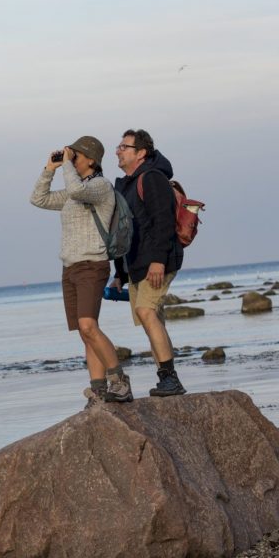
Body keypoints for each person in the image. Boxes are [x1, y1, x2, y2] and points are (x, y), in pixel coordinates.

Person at [30, 136, 132, 405]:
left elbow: (76, 190)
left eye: (76, 155)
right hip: (70, 268)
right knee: (85, 333)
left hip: (91, 265)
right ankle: (98, 390)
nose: (72, 159)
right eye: (71, 154)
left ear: (91, 160)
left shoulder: (100, 186)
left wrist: (66, 164)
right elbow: (38, 199)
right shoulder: (73, 191)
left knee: (88, 326)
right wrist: (49, 169)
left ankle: (120, 381)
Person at [110, 129, 186, 396]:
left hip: (157, 260)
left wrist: (158, 261)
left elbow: (163, 221)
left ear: (141, 153)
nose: (118, 151)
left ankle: (170, 379)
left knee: (145, 311)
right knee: (152, 320)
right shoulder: (126, 185)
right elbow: (122, 231)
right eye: (119, 146)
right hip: (136, 264)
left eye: (124, 147)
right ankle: (167, 380)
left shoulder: (152, 178)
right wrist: (120, 273)